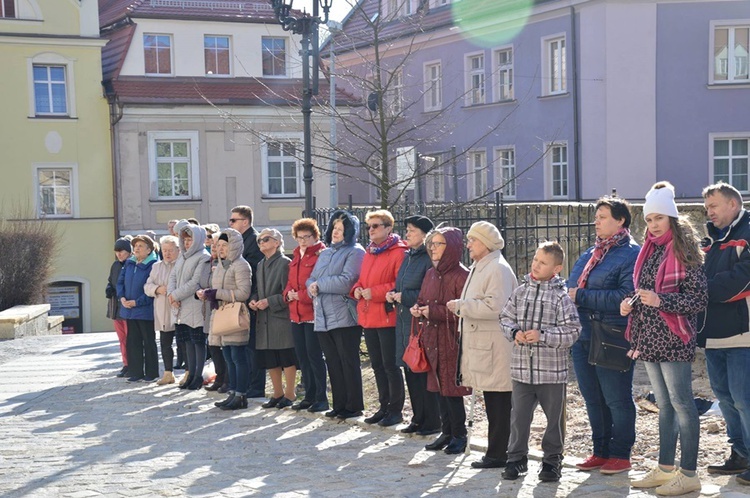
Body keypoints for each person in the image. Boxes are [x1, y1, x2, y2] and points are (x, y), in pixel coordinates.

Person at [621, 181, 708, 496]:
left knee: (683, 404)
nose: (653, 224)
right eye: (648, 219)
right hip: (649, 339)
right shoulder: (649, 250)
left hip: (674, 338)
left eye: (658, 217)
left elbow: (697, 300)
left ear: (671, 217)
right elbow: (644, 291)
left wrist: (661, 301)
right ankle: (666, 468)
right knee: (665, 406)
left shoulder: (685, 252)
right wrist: (630, 302)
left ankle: (689, 474)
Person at [567, 197, 640, 474]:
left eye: (602, 216)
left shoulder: (632, 253)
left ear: (621, 220)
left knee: (616, 398)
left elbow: (627, 297)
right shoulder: (590, 254)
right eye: (596, 216)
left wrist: (581, 296)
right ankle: (600, 451)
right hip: (583, 334)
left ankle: (620, 454)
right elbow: (571, 287)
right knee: (592, 397)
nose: (596, 221)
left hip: (612, 334)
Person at [500, 242, 581, 482]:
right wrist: (514, 332)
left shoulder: (561, 298)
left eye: (542, 262)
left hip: (552, 373)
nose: (536, 265)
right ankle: (516, 459)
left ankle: (552, 461)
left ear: (556, 268)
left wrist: (544, 336)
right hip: (521, 370)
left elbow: (573, 331)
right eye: (535, 259)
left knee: (554, 419)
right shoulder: (520, 292)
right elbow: (505, 317)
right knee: (519, 418)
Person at [448, 221, 517, 464]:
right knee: (493, 401)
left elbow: (496, 306)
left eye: (472, 240)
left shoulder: (497, 268)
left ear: (485, 244)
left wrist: (460, 306)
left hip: (495, 346)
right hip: (484, 346)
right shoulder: (482, 265)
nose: (468, 244)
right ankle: (496, 452)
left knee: (499, 404)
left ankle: (498, 453)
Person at [699, 182, 750, 484]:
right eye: (707, 208)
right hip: (713, 334)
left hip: (743, 333)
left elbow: (741, 280)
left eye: (714, 206)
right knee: (725, 398)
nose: (709, 212)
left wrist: (702, 289)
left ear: (733, 204)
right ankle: (740, 453)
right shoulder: (710, 239)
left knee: (744, 399)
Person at [411, 227, 471, 455]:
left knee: (452, 390)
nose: (433, 249)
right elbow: (423, 298)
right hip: (432, 338)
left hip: (451, 340)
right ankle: (446, 432)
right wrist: (418, 308)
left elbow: (463, 310)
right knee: (438, 387)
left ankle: (459, 434)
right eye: (431, 244)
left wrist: (433, 311)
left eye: (439, 244)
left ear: (452, 247)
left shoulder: (461, 275)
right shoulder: (430, 273)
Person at [308, 210, 365, 419]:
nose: (336, 232)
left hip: (344, 316)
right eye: (334, 228)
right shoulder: (326, 253)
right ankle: (339, 404)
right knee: (332, 361)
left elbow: (348, 280)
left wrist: (319, 285)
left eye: (341, 229)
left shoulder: (355, 252)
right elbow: (311, 278)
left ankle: (354, 405)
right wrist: (311, 287)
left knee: (348, 361)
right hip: (322, 316)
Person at [352, 209, 407, 427]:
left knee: (390, 365)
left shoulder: (398, 252)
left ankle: (395, 409)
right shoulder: (370, 251)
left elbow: (398, 283)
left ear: (388, 228)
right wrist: (356, 288)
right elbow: (362, 278)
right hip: (368, 315)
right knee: (376, 365)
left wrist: (373, 292)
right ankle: (383, 407)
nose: (371, 230)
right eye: (369, 226)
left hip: (386, 316)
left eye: (375, 226)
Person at [387, 215, 441, 436]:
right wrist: (393, 294)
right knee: (410, 370)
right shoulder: (409, 257)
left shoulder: (429, 258)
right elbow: (403, 283)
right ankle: (418, 418)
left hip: (421, 323)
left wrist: (404, 296)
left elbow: (430, 291)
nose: (407, 234)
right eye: (407, 230)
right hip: (405, 323)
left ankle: (432, 420)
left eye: (411, 230)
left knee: (422, 372)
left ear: (425, 234)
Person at [198, 228, 252, 410]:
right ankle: (233, 392)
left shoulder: (241, 265)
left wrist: (217, 293)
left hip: (235, 315)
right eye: (218, 245)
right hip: (222, 315)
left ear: (234, 246)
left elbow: (244, 292)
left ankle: (241, 395)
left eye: (224, 245)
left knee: (238, 356)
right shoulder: (221, 265)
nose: (220, 249)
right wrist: (209, 294)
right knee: (228, 356)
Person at [284, 218, 329, 413]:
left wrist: (300, 296)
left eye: (307, 237)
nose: (303, 241)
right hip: (296, 314)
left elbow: (317, 284)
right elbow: (289, 282)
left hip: (312, 314)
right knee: (302, 357)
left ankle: (321, 397)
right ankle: (309, 396)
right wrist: (288, 295)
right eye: (299, 237)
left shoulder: (321, 255)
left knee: (314, 357)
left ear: (315, 236)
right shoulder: (296, 256)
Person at [250, 228, 297, 409]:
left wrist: (270, 301)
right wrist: (253, 300)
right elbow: (256, 289)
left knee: (286, 357)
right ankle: (277, 393)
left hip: (280, 317)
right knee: (270, 358)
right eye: (260, 240)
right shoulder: (260, 264)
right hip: (264, 318)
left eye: (266, 239)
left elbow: (287, 291)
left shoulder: (284, 262)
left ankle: (290, 393)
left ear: (277, 243)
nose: (262, 242)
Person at [168, 224, 211, 390]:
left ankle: (198, 376)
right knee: (187, 342)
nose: (187, 243)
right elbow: (172, 276)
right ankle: (190, 373)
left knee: (198, 341)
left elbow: (195, 282)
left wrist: (175, 295)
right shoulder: (182, 257)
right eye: (184, 239)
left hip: (195, 305)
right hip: (181, 306)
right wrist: (171, 295)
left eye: (190, 239)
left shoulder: (203, 257)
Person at [229, 205, 265, 398]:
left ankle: (256, 385)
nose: (230, 223)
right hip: (239, 297)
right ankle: (244, 383)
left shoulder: (254, 240)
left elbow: (254, 269)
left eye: (233, 220)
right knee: (240, 344)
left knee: (252, 345)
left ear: (245, 222)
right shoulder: (238, 241)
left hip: (251, 297)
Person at [117, 235, 158, 382]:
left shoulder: (153, 264)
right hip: (129, 310)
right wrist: (122, 297)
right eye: (135, 246)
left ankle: (151, 373)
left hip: (145, 310)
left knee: (148, 341)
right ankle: (135, 372)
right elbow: (120, 282)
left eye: (141, 246)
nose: (137, 248)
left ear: (149, 249)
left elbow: (151, 289)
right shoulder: (129, 263)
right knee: (132, 341)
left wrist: (137, 302)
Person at [144, 235, 179, 385]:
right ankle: (168, 373)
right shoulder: (156, 266)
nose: (167, 253)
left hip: (180, 308)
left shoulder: (181, 265)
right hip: (162, 309)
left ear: (178, 250)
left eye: (170, 250)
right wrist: (157, 289)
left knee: (184, 344)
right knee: (165, 343)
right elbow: (147, 286)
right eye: (165, 250)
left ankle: (189, 372)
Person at [107, 236, 131, 378]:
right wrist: (108, 288)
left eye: (121, 251)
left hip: (127, 306)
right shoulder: (115, 265)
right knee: (121, 338)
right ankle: (126, 364)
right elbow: (110, 280)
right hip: (115, 306)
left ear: (128, 251)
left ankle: (133, 363)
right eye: (117, 251)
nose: (119, 254)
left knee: (130, 338)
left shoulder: (132, 264)